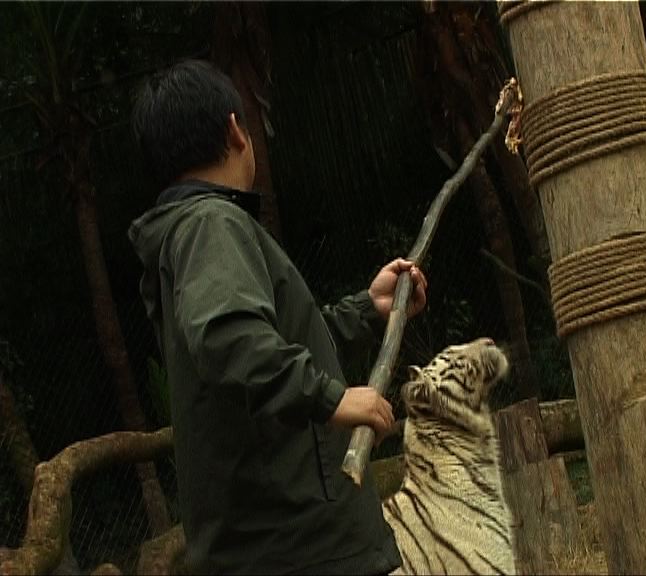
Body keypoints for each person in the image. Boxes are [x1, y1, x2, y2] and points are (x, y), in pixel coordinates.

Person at [128, 59, 428, 575]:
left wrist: (365, 309)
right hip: (296, 547)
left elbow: (274, 344)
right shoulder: (211, 225)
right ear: (234, 131)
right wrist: (332, 397)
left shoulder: (192, 232)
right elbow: (234, 343)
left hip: (284, 545)